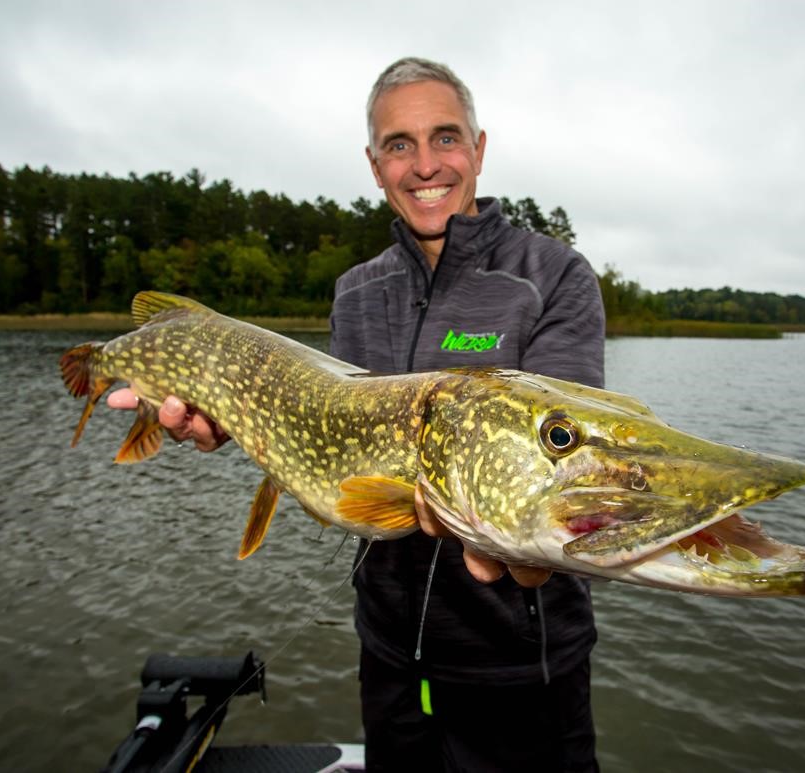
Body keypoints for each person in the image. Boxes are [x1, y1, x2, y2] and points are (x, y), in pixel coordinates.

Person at [110, 57, 605, 772]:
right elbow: (333, 463)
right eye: (399, 145)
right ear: (375, 166)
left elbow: (566, 472)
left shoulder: (551, 277)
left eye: (445, 137)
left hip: (521, 670)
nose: (425, 164)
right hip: (389, 654)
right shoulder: (356, 291)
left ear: (480, 148)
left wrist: (530, 555)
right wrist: (235, 419)